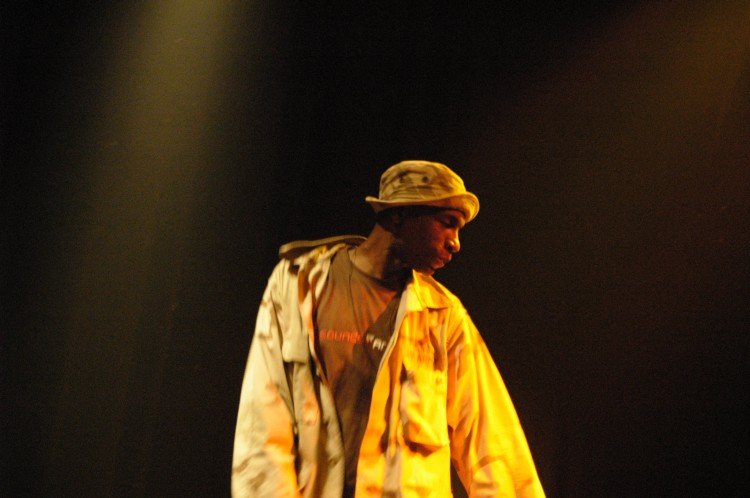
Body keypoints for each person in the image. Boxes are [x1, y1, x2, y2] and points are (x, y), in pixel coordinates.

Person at [232, 160, 545, 497]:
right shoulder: (299, 284)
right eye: (447, 223)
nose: (455, 243)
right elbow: (263, 415)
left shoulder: (442, 314)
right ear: (399, 215)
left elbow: (491, 439)